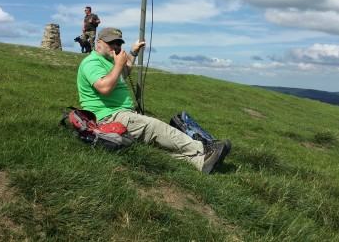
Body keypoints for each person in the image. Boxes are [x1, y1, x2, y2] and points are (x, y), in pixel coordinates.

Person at [77, 27, 231, 174]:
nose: (115, 46)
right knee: (153, 126)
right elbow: (104, 87)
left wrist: (133, 52)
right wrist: (118, 64)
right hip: (109, 116)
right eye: (111, 43)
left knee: (156, 148)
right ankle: (204, 149)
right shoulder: (92, 62)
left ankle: (200, 163)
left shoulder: (109, 61)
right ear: (98, 42)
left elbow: (123, 72)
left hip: (119, 114)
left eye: (118, 43)